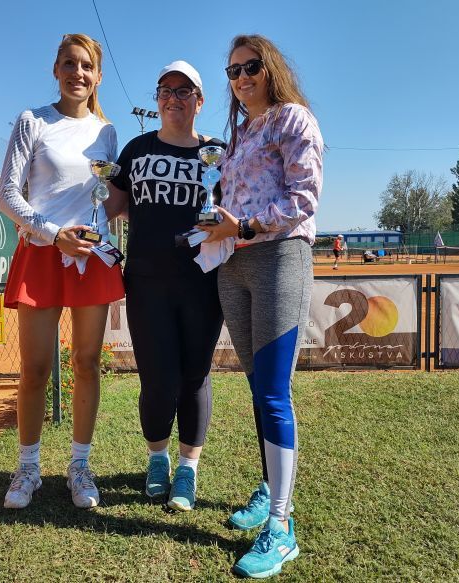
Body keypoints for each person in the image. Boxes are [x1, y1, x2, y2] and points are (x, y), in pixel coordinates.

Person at [199, 34, 323, 578]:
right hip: (233, 264)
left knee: (273, 393)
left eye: (250, 67)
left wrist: (245, 225)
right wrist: (214, 221)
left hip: (278, 259)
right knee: (257, 389)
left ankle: (281, 525)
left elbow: (304, 199)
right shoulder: (240, 133)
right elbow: (231, 200)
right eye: (232, 71)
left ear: (270, 68)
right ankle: (272, 488)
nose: (242, 77)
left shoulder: (294, 119)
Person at [0, 33, 123, 510]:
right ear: (56, 69)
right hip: (43, 252)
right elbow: (7, 194)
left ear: (98, 76)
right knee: (35, 368)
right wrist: (53, 234)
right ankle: (28, 469)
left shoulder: (107, 133)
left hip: (91, 256)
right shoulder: (33, 120)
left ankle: (80, 467)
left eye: (86, 66)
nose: (78, 73)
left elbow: (106, 200)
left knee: (87, 364)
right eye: (69, 64)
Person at [105, 61, 224, 512]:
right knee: (156, 377)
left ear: (199, 100)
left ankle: (188, 468)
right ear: (157, 99)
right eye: (165, 90)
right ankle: (158, 459)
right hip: (147, 281)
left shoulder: (218, 152)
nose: (173, 98)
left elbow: (234, 208)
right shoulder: (137, 149)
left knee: (194, 375)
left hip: (202, 282)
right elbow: (110, 206)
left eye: (183, 90)